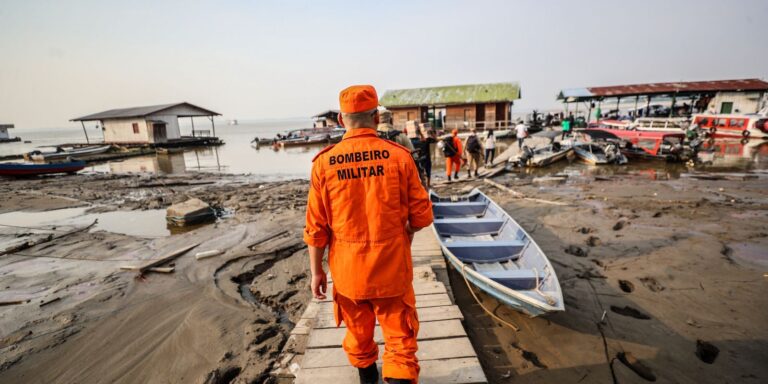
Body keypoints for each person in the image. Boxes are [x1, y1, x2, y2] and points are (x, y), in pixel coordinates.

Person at [304, 85, 433, 384]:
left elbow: (316, 227)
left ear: (341, 119)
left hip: (348, 272)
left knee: (358, 332)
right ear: (376, 117)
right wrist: (406, 231)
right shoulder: (399, 157)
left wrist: (316, 272)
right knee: (400, 336)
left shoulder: (324, 163)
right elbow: (423, 215)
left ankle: (366, 376)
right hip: (392, 268)